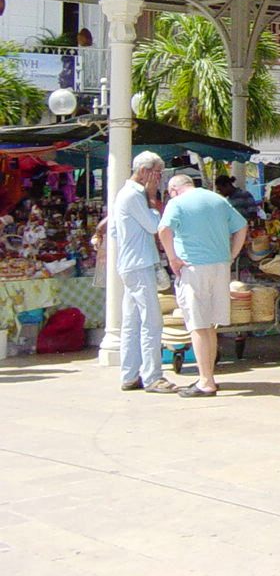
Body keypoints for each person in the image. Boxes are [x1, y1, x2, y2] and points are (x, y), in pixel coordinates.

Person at [158, 174, 248, 398]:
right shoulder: (217, 199)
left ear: (174, 189)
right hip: (220, 266)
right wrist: (232, 255)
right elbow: (242, 226)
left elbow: (163, 229)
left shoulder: (176, 203)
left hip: (194, 267)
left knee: (198, 324)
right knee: (209, 325)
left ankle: (206, 381)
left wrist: (172, 259)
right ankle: (208, 377)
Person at [110, 151, 178, 394]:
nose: (159, 178)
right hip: (140, 263)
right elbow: (154, 226)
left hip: (130, 263)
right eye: (157, 172)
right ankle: (152, 376)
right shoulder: (135, 195)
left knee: (132, 321)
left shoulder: (123, 194)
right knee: (151, 321)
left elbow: (115, 232)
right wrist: (151, 198)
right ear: (145, 171)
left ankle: (130, 373)